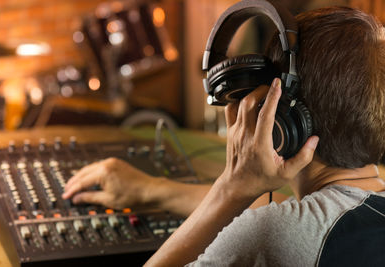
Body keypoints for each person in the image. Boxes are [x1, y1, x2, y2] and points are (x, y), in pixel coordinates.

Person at [63, 6, 385, 266]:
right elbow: (277, 206)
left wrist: (232, 185)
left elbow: (270, 219)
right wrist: (153, 190)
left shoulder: (273, 234)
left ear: (278, 120)